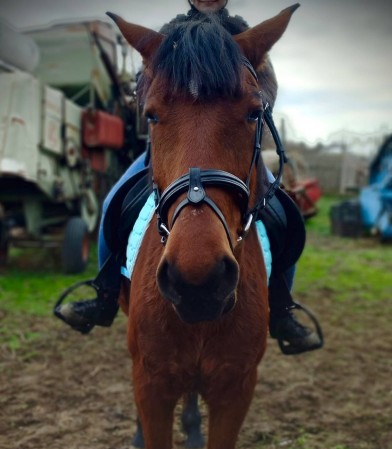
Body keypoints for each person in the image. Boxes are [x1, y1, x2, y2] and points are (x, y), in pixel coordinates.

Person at [54, 0, 322, 355]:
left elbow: (268, 84)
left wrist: (250, 95)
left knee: (284, 214)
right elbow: (143, 86)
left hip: (231, 144)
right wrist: (154, 92)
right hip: (175, 145)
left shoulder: (241, 31)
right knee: (113, 201)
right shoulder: (171, 35)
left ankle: (282, 309)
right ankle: (104, 293)